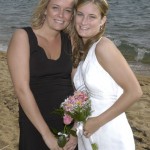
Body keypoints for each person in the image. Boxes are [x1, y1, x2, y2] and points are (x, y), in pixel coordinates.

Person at [72, 0, 143, 149]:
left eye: (92, 16)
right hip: (88, 132)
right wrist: (74, 129)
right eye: (80, 14)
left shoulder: (103, 47)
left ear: (102, 21)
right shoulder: (82, 50)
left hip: (109, 130)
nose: (84, 21)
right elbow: (82, 97)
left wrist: (97, 122)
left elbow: (135, 92)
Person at [7, 0, 78, 149]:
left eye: (67, 10)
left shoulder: (71, 40)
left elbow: (79, 86)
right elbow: (21, 89)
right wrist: (46, 135)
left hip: (67, 123)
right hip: (35, 123)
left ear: (72, 15)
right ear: (45, 9)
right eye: (55, 8)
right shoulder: (23, 36)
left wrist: (75, 128)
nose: (61, 15)